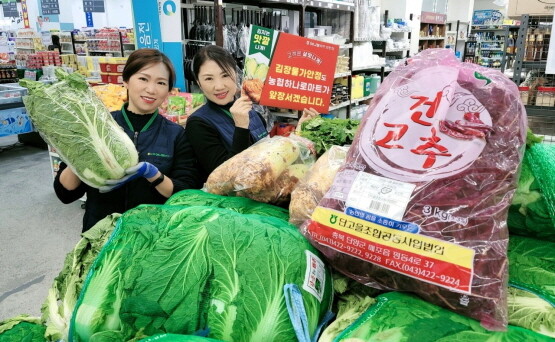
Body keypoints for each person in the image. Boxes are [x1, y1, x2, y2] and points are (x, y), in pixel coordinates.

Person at [54, 49, 201, 232]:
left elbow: (184, 193)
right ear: (126, 80)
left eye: (161, 82)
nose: (151, 89)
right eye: (143, 79)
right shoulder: (99, 125)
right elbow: (65, 194)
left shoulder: (176, 135)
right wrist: (78, 154)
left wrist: (154, 176)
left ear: (169, 91)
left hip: (152, 238)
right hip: (101, 235)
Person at [186, 45, 319, 182]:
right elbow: (225, 179)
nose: (219, 86)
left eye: (225, 75)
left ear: (236, 74)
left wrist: (300, 132)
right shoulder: (198, 123)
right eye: (209, 79)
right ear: (198, 82)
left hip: (263, 193)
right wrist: (241, 127)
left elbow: (272, 159)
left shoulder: (254, 113)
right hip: (230, 201)